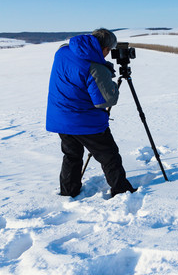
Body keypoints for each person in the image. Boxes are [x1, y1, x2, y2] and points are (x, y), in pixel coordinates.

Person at [46, 28, 136, 198]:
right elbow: (105, 100)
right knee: (109, 156)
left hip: (60, 118)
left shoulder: (63, 51)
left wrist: (102, 69)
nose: (108, 54)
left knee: (71, 156)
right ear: (104, 49)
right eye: (108, 51)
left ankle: (68, 191)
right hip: (85, 122)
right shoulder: (95, 68)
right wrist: (109, 81)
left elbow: (76, 67)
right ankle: (122, 191)